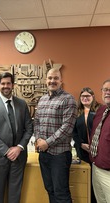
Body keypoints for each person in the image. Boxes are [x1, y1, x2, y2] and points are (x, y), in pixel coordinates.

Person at [0, 72, 33, 203]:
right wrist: (7, 151)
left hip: (18, 158)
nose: (6, 86)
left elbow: (29, 128)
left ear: (13, 85)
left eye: (8, 83)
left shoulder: (22, 104)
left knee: (15, 197)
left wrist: (19, 148)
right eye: (3, 83)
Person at [34, 68, 77, 203]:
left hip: (60, 155)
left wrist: (47, 143)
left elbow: (67, 128)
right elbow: (37, 122)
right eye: (50, 78)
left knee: (61, 193)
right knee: (50, 190)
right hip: (44, 154)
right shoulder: (42, 100)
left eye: (55, 78)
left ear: (61, 81)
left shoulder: (68, 99)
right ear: (46, 80)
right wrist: (38, 140)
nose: (52, 81)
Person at [72, 87, 101, 203]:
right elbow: (73, 131)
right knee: (86, 177)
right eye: (83, 96)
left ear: (93, 97)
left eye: (88, 96)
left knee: (97, 179)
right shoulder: (76, 112)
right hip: (82, 150)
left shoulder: (100, 110)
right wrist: (81, 144)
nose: (85, 98)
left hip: (98, 150)